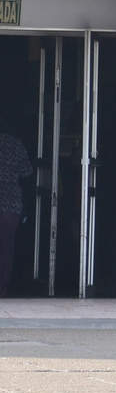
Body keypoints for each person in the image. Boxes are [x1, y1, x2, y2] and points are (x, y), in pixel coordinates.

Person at [0, 118, 33, 294]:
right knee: (6, 247)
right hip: (11, 203)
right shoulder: (16, 145)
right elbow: (27, 174)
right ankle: (2, 287)